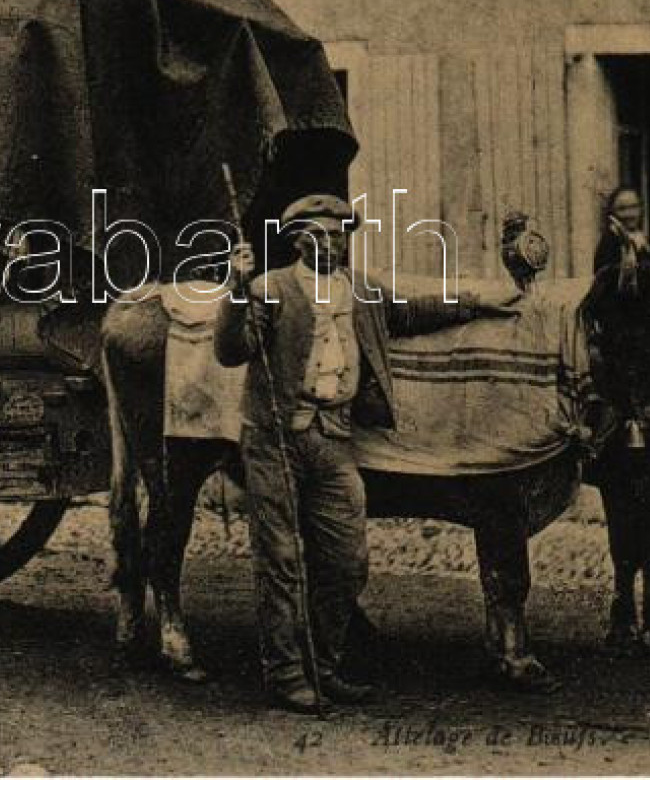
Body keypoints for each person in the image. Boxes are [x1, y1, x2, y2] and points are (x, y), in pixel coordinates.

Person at [214, 194, 514, 713]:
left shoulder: (364, 291)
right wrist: (236, 291)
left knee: (347, 560)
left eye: (340, 236)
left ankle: (324, 667)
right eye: (320, 236)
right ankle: (285, 674)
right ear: (298, 240)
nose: (332, 244)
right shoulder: (270, 288)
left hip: (334, 441)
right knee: (281, 559)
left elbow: (416, 311)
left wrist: (477, 300)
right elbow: (231, 350)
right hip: (275, 441)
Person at [592, 186, 649, 274]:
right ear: (612, 212)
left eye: (634, 207)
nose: (630, 214)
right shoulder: (610, 241)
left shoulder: (641, 238)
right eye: (622, 209)